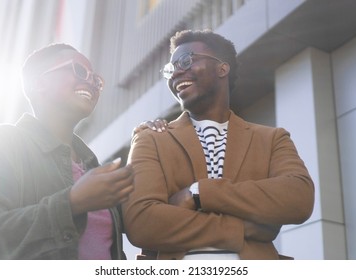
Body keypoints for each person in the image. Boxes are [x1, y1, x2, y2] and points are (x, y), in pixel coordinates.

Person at [122, 30, 315, 260]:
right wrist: (241, 229)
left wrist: (199, 193)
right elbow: (142, 223)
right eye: (170, 69)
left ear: (222, 68)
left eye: (186, 61)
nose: (176, 74)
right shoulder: (150, 138)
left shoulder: (271, 139)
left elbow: (299, 199)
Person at [0, 43, 165, 259]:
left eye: (96, 80)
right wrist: (72, 203)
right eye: (80, 71)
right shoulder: (1, 143)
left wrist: (153, 141)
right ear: (39, 83)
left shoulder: (93, 166)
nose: (91, 83)